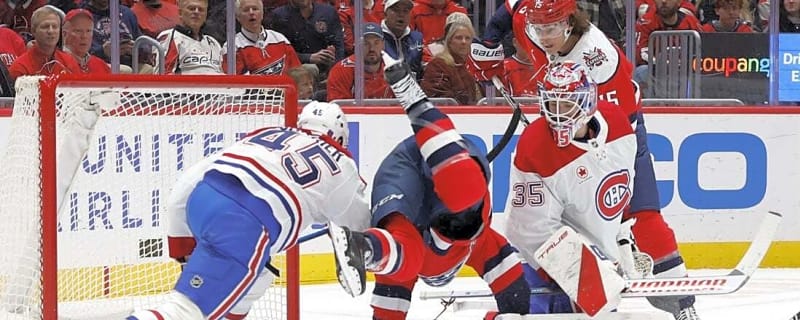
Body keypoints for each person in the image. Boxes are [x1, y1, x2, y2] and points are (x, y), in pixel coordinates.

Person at [468, 1, 701, 319]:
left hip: (617, 135)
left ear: (570, 21)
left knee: (642, 218)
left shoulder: (597, 59)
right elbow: (511, 9)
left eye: (550, 28)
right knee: (550, 223)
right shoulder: (535, 19)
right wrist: (488, 44)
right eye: (538, 28)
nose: (543, 36)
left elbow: (614, 126)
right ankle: (567, 291)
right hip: (563, 131)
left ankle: (681, 303)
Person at [127, 101, 371, 320]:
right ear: (340, 136)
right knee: (184, 311)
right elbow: (360, 233)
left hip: (203, 199)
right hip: (244, 224)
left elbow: (191, 179)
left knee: (259, 275)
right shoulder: (344, 165)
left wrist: (181, 243)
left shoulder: (268, 133)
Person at [329, 55, 530, 319]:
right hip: (406, 170)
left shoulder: (471, 244)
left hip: (437, 185)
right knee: (457, 201)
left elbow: (516, 296)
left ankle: (365, 247)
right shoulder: (459, 242)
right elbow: (516, 295)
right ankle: (417, 104)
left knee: (410, 254)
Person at [503, 61, 638, 317]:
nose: (557, 114)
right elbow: (528, 228)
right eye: (551, 104)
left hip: (599, 262)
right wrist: (586, 270)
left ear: (587, 102)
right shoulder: (535, 145)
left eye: (565, 104)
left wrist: (620, 235)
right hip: (538, 267)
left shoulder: (617, 123)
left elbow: (623, 185)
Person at [224, 0, 301, 76]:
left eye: (255, 9)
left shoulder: (279, 39)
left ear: (262, 14)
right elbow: (235, 84)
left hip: (284, 88)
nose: (251, 13)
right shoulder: (232, 47)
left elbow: (297, 73)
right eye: (246, 10)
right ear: (238, 17)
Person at [420, 12, 481, 105]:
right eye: (459, 38)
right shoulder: (438, 65)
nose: (464, 42)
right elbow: (438, 100)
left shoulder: (471, 66)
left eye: (467, 38)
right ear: (449, 41)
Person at [9, 5, 80, 81]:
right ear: (33, 31)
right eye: (45, 26)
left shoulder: (69, 61)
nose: (51, 31)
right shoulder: (20, 67)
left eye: (55, 26)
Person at [326, 22, 394, 100]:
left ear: (383, 45)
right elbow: (338, 108)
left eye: (376, 43)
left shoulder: (394, 68)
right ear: (356, 45)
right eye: (365, 43)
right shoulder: (340, 70)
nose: (372, 48)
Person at [156, 0, 223, 74]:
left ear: (206, 15)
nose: (196, 12)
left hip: (216, 84)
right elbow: (163, 75)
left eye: (201, 10)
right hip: (187, 84)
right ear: (180, 13)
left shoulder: (214, 43)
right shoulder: (170, 36)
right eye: (191, 8)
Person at [381, 0, 424, 78]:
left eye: (405, 11)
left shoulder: (417, 38)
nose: (401, 15)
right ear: (385, 13)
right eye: (396, 10)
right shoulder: (376, 38)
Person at [62, 8, 111, 74]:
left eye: (88, 31)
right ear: (64, 34)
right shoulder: (57, 62)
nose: (84, 36)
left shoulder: (101, 65)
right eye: (78, 31)